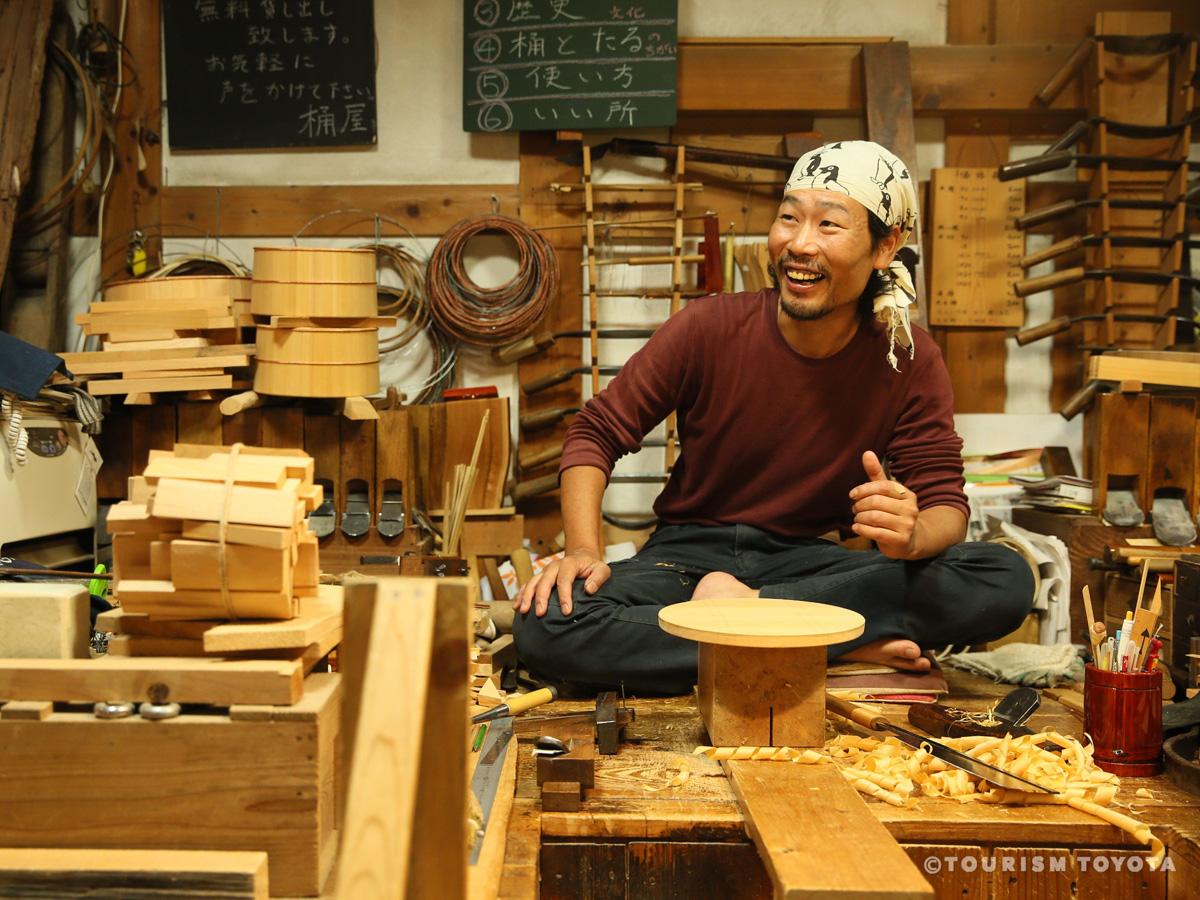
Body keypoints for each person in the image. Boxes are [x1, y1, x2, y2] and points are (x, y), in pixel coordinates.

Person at [513, 140, 1034, 696]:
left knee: (1003, 577)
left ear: (886, 246)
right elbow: (595, 432)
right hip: (685, 564)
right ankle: (830, 646)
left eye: (829, 226)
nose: (799, 244)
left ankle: (762, 622)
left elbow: (945, 507)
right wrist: (584, 552)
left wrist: (912, 535)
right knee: (547, 624)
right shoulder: (707, 328)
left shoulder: (907, 356)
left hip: (808, 572)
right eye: (789, 218)